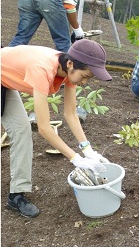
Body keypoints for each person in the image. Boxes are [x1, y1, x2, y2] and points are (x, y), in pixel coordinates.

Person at [1, 39, 112, 218]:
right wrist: (76, 158)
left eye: (88, 78)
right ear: (70, 64)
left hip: (5, 80)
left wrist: (88, 150)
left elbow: (70, 113)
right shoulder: (42, 69)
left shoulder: (69, 69)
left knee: (22, 130)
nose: (84, 82)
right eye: (84, 76)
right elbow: (44, 128)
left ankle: (16, 195)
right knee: (21, 128)